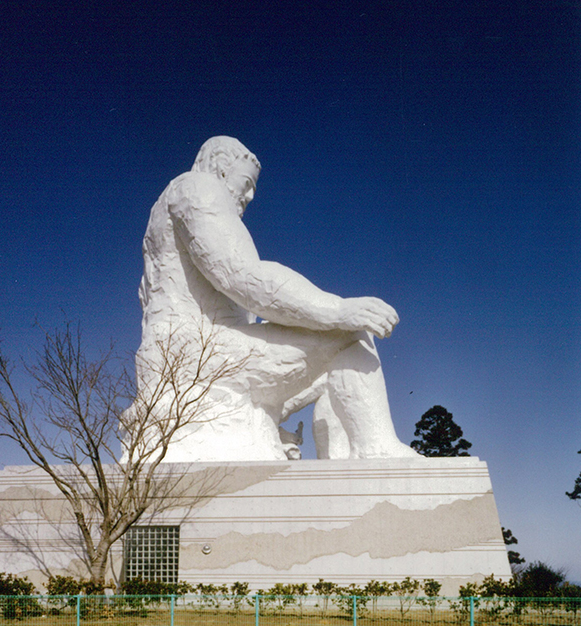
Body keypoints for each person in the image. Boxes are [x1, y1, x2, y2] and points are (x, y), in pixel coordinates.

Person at [132, 135, 419, 461]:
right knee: (348, 337)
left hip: (198, 351)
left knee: (331, 376)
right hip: (194, 353)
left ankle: (340, 469)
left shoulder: (174, 202)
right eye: (246, 183)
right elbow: (241, 275)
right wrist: (336, 309)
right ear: (222, 169)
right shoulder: (197, 187)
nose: (251, 195)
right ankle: (378, 451)